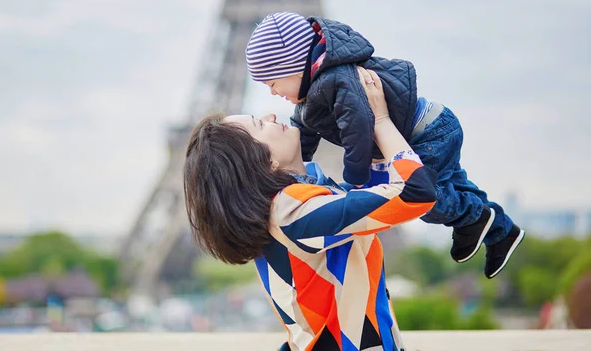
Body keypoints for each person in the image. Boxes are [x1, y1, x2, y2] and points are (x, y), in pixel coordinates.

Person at [245, 11, 525, 279]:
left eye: (272, 82)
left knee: (422, 198)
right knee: (454, 187)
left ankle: (475, 218)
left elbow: (358, 130)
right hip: (429, 124)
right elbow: (303, 133)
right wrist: (294, 171)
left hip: (425, 133)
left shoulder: (336, 80)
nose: (272, 92)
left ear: (293, 65)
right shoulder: (313, 93)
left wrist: (356, 180)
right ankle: (502, 232)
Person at [184, 68, 437, 351]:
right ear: (262, 162)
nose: (271, 116)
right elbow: (415, 193)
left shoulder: (301, 202)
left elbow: (378, 195)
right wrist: (380, 119)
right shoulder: (296, 212)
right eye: (259, 124)